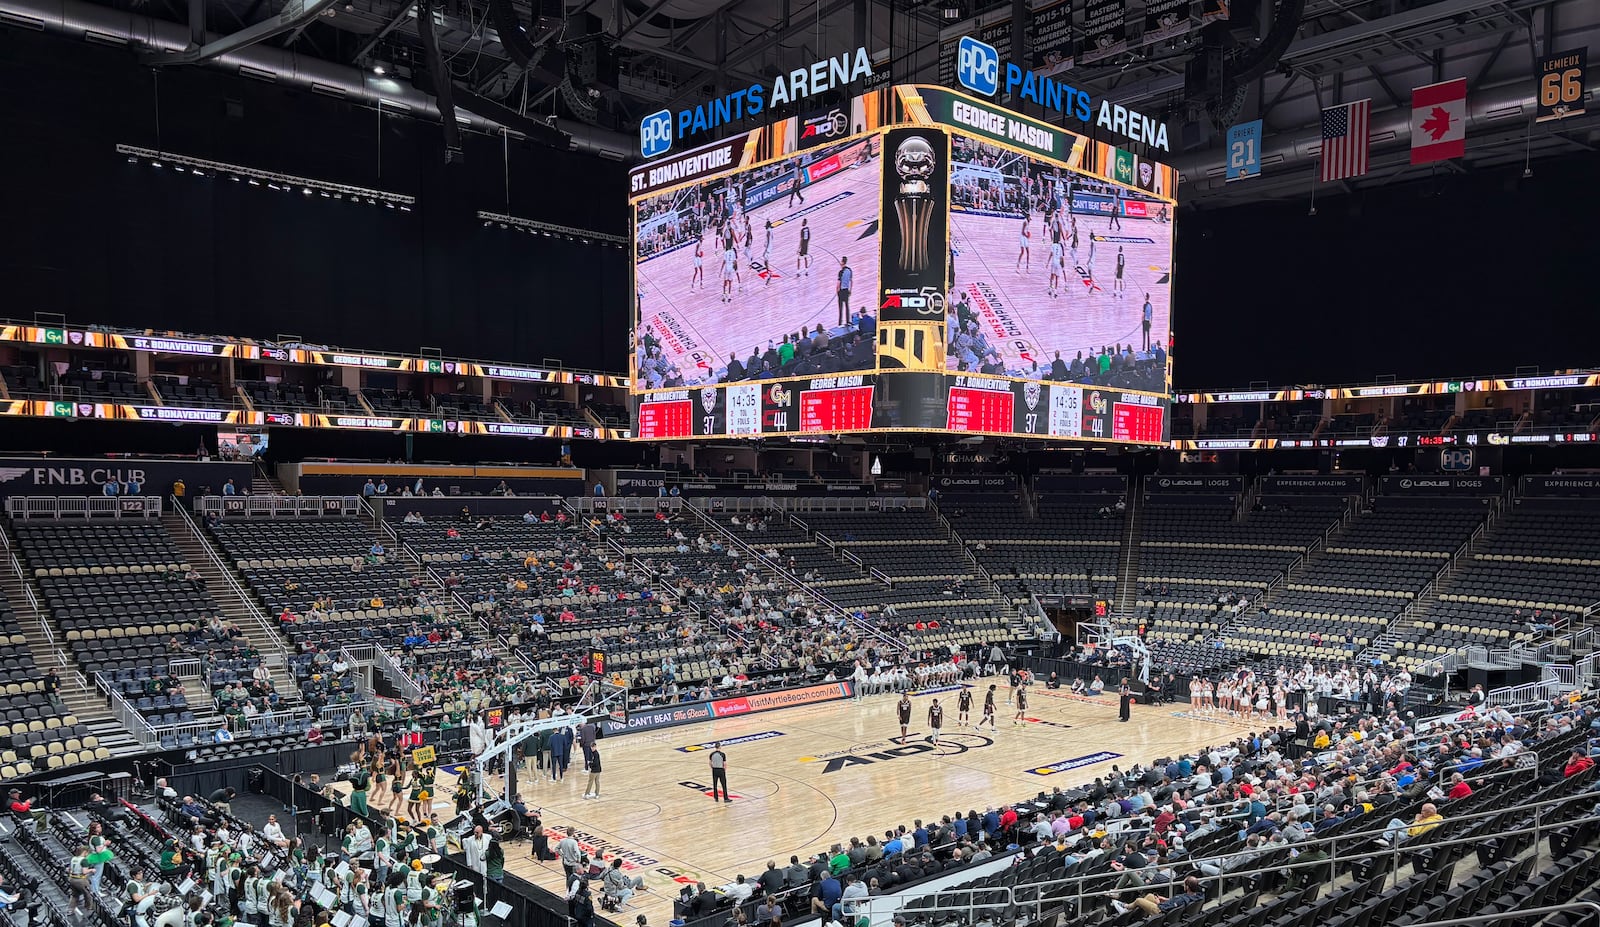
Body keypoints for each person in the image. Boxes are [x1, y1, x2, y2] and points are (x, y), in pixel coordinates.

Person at [836, 256, 853, 326]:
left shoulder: (841, 272)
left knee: (840, 308)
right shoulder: (849, 270)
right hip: (847, 290)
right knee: (847, 306)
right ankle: (848, 321)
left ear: (842, 262)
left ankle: (840, 324)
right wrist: (850, 290)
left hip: (841, 291)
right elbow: (851, 281)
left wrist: (837, 291)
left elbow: (838, 283)